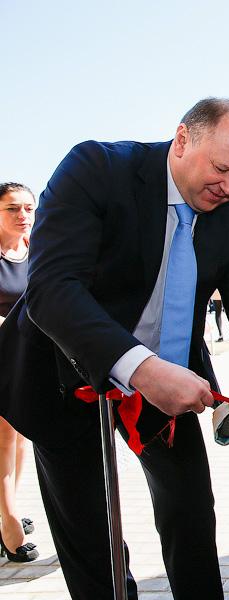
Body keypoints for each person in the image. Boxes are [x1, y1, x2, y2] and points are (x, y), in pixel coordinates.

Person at [0, 98, 229, 599]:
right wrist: (142, 369)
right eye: (221, 169)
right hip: (64, 376)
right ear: (183, 138)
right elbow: (52, 290)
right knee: (91, 531)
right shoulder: (97, 169)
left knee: (190, 508)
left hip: (169, 384)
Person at [0, 182, 38, 563]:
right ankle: (9, 523)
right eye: (12, 208)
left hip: (30, 356)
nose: (22, 215)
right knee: (4, 440)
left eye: (28, 207)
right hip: (1, 355)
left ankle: (7, 507)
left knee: (21, 437)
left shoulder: (35, 250)